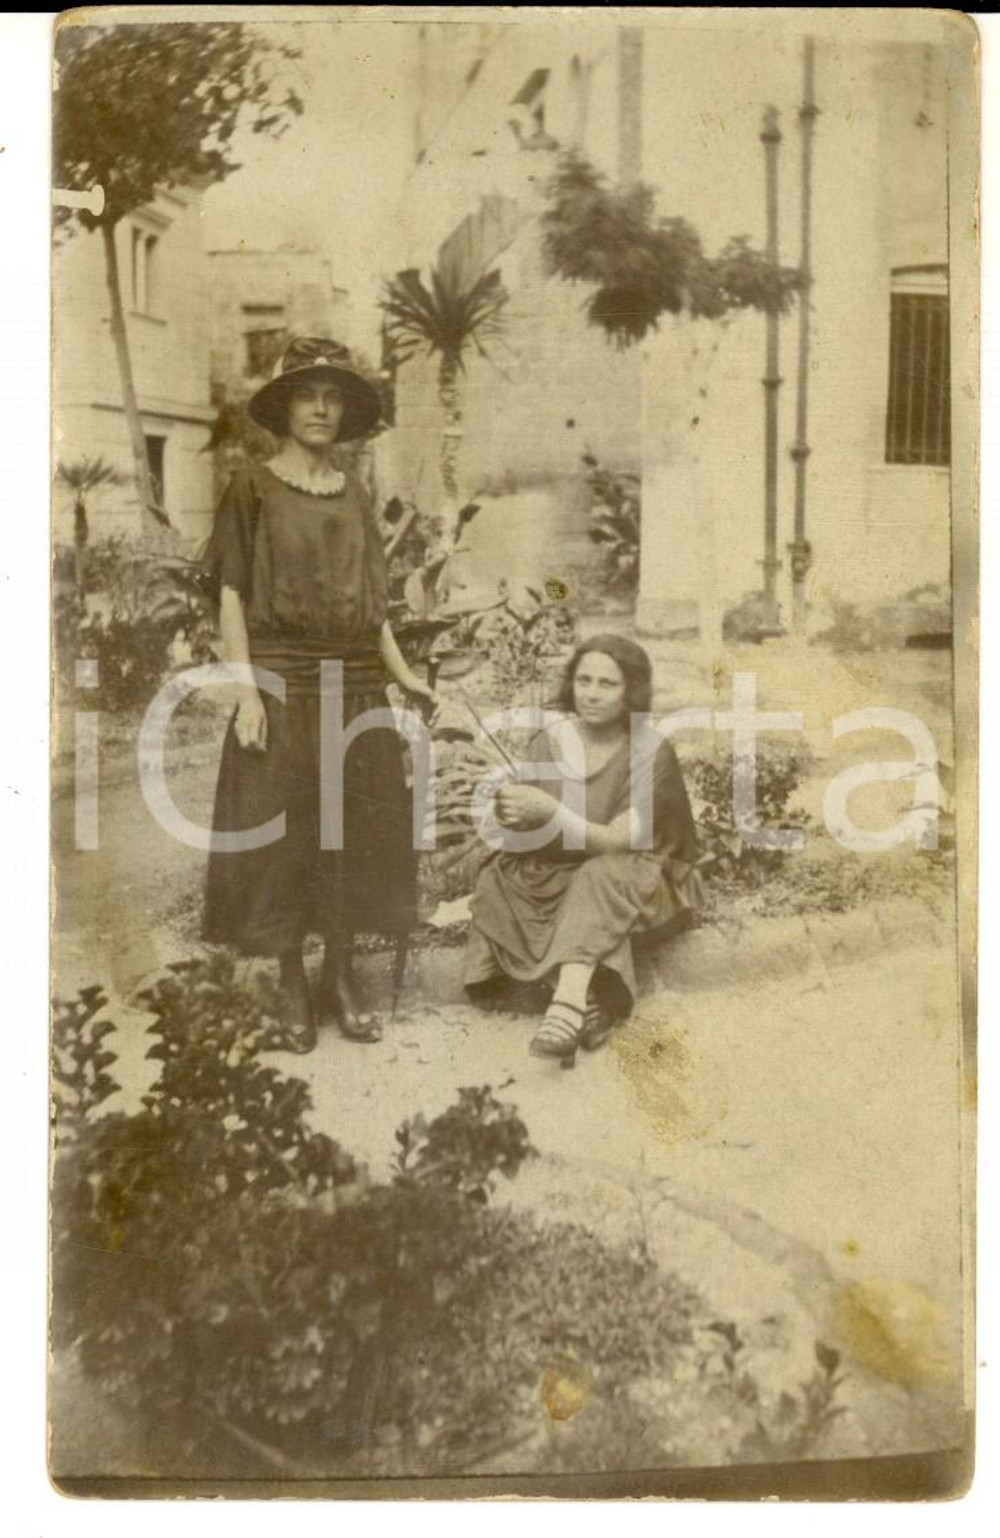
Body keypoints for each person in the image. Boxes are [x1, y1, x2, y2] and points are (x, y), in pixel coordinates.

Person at [201, 337, 434, 1052]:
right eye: (308, 395)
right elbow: (231, 594)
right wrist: (246, 693)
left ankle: (339, 975)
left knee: (354, 832)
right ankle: (291, 983)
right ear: (285, 408)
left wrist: (403, 675)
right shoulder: (251, 488)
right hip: (283, 683)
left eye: (334, 398)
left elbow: (375, 606)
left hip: (356, 685)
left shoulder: (355, 493)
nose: (322, 409)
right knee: (284, 836)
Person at [463, 634, 704, 1066]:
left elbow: (615, 841)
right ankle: (594, 1001)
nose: (591, 693)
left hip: (637, 880)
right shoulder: (549, 741)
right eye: (584, 680)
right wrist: (512, 814)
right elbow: (530, 832)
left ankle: (567, 1001)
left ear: (631, 690)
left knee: (599, 874)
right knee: (498, 879)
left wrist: (549, 810)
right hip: (565, 872)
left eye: (607, 684)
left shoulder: (651, 751)